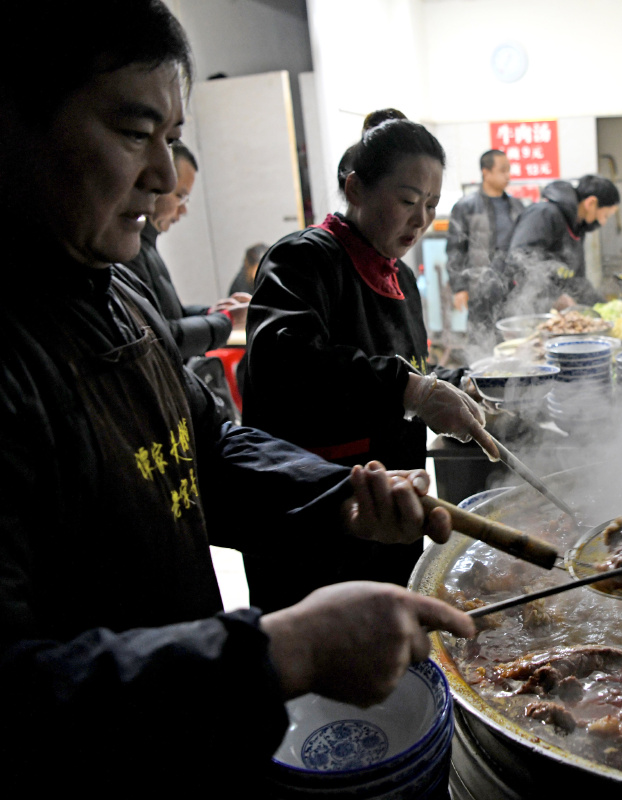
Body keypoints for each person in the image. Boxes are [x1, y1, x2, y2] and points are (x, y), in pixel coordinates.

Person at [0, 3, 478, 795]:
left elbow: (210, 444)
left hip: (183, 731)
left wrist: (341, 498)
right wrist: (280, 649)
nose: (163, 173)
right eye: (132, 131)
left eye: (172, 137)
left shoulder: (115, 292)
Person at [241, 112, 500, 613]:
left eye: (430, 204)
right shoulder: (304, 259)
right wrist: (412, 389)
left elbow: (403, 365)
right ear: (355, 188)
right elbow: (282, 357)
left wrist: (449, 383)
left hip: (393, 509)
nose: (421, 220)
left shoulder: (399, 276)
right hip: (319, 515)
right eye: (407, 201)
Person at [124, 140, 251, 358]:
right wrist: (227, 321)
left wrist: (214, 313)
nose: (183, 210)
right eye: (180, 196)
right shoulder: (130, 252)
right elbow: (161, 337)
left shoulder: (146, 245)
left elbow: (173, 314)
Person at [502, 174, 620, 312]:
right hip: (521, 307)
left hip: (549, 311)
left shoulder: (577, 227)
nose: (603, 222)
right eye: (605, 215)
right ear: (591, 203)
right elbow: (520, 260)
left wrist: (600, 307)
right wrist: (554, 297)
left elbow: (576, 279)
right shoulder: (544, 214)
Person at [445, 149, 524, 351]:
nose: (508, 176)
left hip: (511, 288)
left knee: (513, 342)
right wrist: (459, 287)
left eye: (509, 170)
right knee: (480, 343)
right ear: (485, 172)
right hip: (479, 288)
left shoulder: (516, 206)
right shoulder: (466, 206)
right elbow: (455, 248)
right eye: (502, 170)